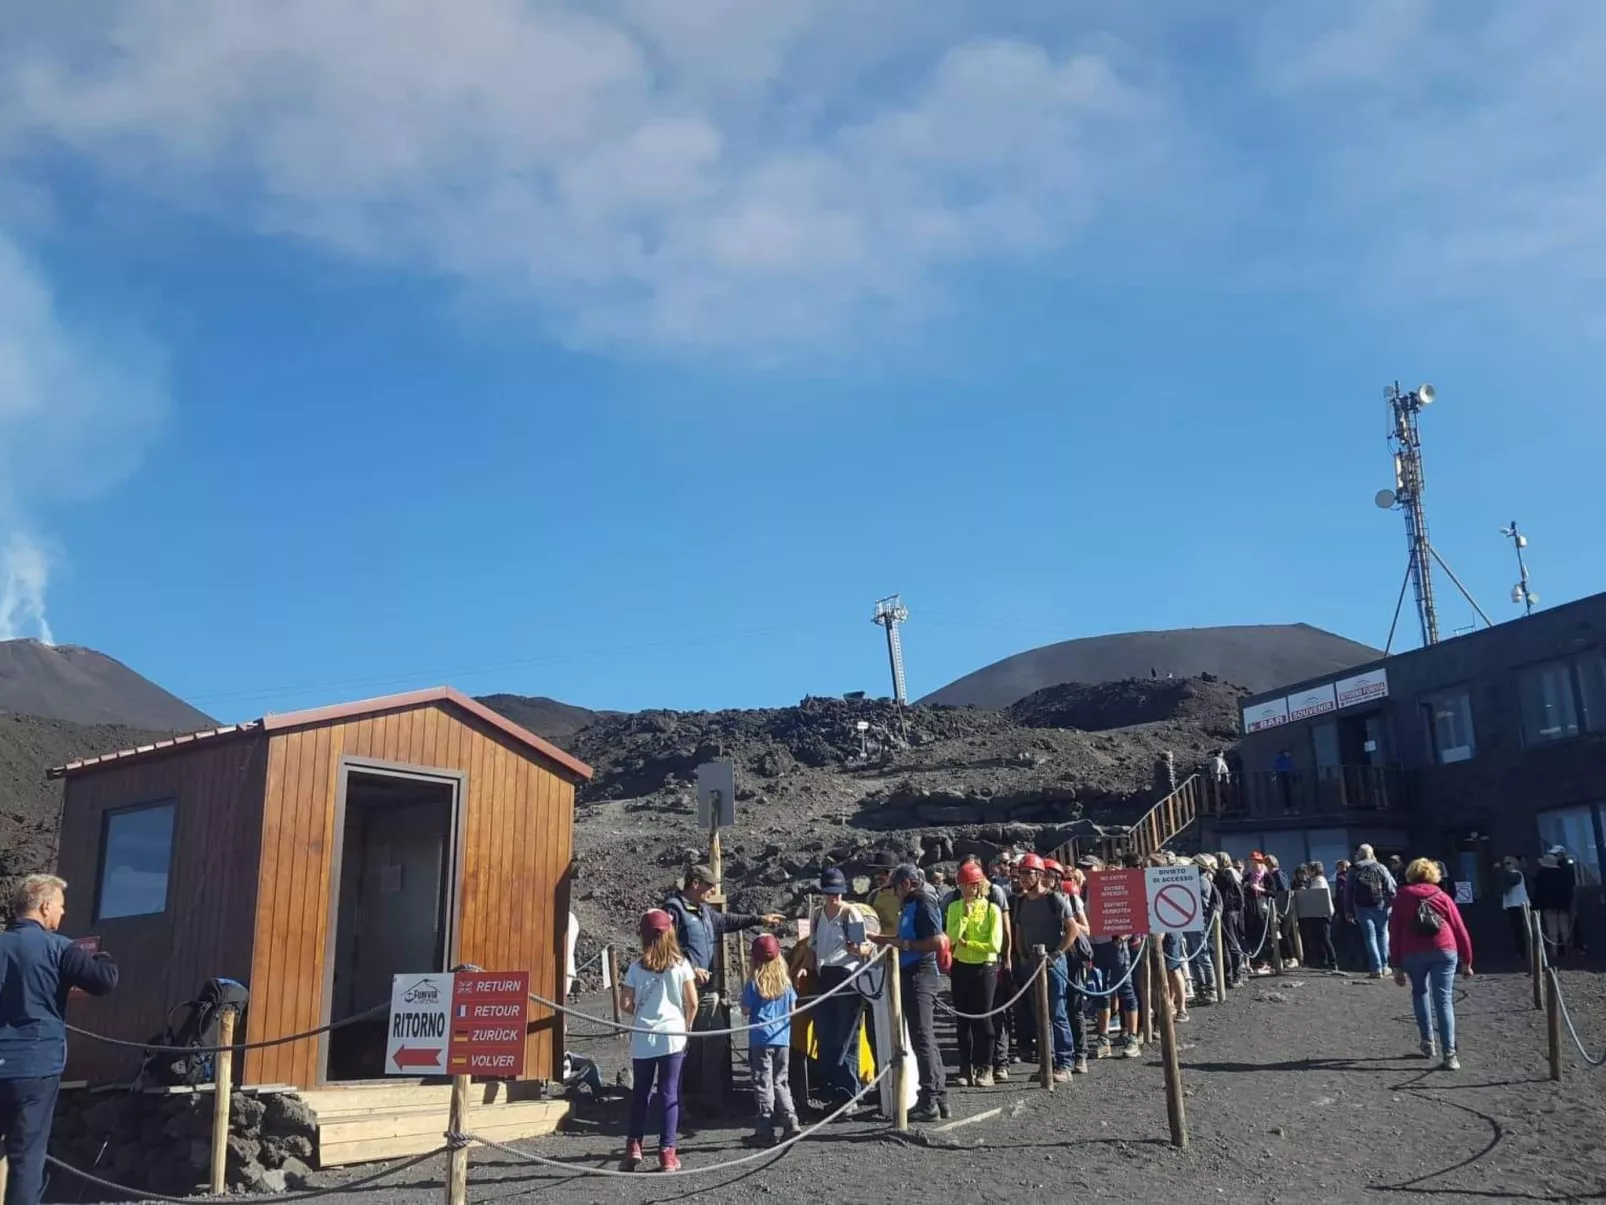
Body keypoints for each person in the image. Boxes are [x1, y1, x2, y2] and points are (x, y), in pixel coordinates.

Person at [0, 874, 119, 1205]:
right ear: (45, 905)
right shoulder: (58, 948)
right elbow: (102, 981)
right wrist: (104, 956)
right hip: (35, 1066)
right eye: (61, 907)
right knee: (26, 1160)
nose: (62, 915)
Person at [661, 865, 783, 1107]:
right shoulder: (673, 909)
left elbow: (727, 921)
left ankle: (710, 1099)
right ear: (695, 883)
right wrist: (689, 968)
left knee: (713, 1042)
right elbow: (665, 947)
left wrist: (759, 919)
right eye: (709, 885)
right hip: (680, 992)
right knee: (679, 1045)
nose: (713, 890)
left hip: (705, 990)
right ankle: (677, 1101)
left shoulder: (703, 911)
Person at [790, 867, 878, 1106]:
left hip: (847, 976)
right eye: (830, 893)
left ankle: (849, 1092)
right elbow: (813, 945)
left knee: (847, 1037)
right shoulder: (818, 914)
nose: (834, 898)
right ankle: (832, 1089)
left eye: (837, 893)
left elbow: (864, 946)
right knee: (825, 1034)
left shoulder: (851, 914)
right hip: (823, 975)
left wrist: (856, 948)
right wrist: (805, 967)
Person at [620, 909, 698, 1173]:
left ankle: (634, 1146)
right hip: (672, 1037)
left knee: (640, 1092)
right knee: (668, 1093)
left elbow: (625, 1004)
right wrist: (686, 1025)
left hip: (643, 1036)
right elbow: (693, 1002)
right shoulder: (681, 965)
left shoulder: (635, 967)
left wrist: (643, 1012)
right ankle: (667, 1154)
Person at [868, 865, 948, 1121]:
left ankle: (929, 1100)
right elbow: (903, 936)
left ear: (905, 884)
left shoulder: (923, 902)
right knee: (925, 1037)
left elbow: (936, 940)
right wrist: (876, 938)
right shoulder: (913, 904)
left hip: (920, 973)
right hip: (912, 971)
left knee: (922, 1037)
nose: (892, 892)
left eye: (894, 887)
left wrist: (905, 944)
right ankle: (939, 1096)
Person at [1388, 859, 1474, 1070]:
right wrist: (1467, 960)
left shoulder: (1400, 897)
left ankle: (1428, 1041)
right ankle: (1450, 1054)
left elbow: (1395, 932)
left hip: (1412, 952)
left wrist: (1396, 964)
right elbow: (1459, 928)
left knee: (1420, 993)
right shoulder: (1441, 896)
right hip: (1443, 949)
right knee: (1443, 1001)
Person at [1012, 853, 1087, 1082]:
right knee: (1039, 1016)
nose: (1023, 878)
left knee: (1057, 1013)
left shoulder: (1054, 899)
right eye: (1021, 874)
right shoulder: (1021, 901)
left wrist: (1057, 953)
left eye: (1028, 873)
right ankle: (1047, 1062)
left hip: (1053, 964)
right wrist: (1022, 954)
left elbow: (1073, 929)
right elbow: (1019, 930)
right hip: (1032, 964)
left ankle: (1064, 1063)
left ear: (1040, 875)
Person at [944, 861, 1005, 1087]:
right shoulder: (954, 908)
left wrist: (968, 943)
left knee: (984, 1018)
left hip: (985, 968)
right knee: (963, 1020)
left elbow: (994, 945)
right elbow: (949, 939)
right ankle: (965, 1066)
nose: (966, 890)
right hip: (961, 967)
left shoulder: (992, 909)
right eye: (962, 886)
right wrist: (964, 918)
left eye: (970, 885)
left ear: (980, 886)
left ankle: (986, 1066)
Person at [741, 935, 801, 1146]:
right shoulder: (785, 983)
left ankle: (765, 1130)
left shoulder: (754, 982)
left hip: (760, 1039)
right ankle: (791, 1121)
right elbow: (792, 1010)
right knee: (780, 1081)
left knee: (763, 1083)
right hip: (782, 1038)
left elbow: (746, 1010)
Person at [1345, 844, 1398, 978]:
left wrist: (1348, 910)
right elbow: (1392, 887)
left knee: (1370, 937)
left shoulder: (1354, 869)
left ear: (1360, 854)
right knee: (1383, 934)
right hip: (1381, 905)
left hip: (1362, 906)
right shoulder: (1380, 867)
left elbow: (1348, 891)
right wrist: (1390, 903)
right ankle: (1385, 966)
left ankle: (1376, 968)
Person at [1534, 847, 1577, 960]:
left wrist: (1536, 906)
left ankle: (1554, 953)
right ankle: (1568, 950)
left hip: (1548, 906)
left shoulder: (1541, 875)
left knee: (1552, 931)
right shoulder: (1562, 873)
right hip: (1563, 906)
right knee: (1565, 928)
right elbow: (1568, 890)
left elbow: (1538, 892)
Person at [1298, 861, 1339, 970]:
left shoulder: (1319, 881)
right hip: (1319, 913)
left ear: (1313, 870)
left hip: (1322, 913)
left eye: (1309, 870)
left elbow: (1316, 896)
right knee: (1319, 938)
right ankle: (1323, 961)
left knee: (1325, 938)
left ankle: (1332, 961)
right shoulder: (1316, 880)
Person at [1498, 855, 1532, 959]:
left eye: (1508, 863)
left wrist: (1498, 869)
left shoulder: (1517, 874)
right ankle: (1522, 951)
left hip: (1519, 905)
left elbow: (1510, 882)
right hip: (1514, 905)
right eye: (1505, 864)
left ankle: (1524, 952)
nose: (1506, 866)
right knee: (1518, 930)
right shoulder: (1510, 875)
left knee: (1521, 930)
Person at [867, 852, 905, 934]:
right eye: (876, 872)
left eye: (884, 872)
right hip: (880, 945)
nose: (879, 876)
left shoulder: (906, 896)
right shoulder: (873, 896)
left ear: (896, 873)